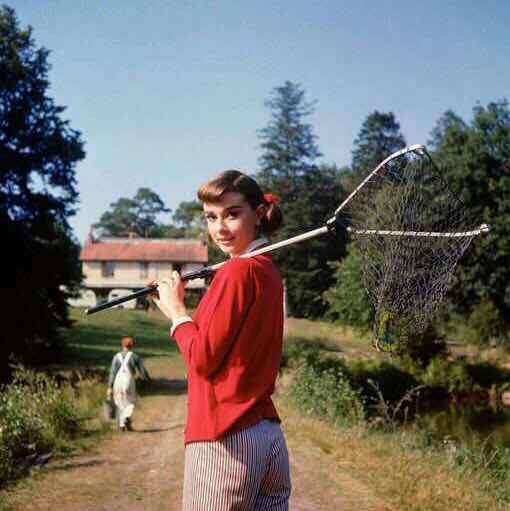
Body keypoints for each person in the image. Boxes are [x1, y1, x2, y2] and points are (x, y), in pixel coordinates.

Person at [152, 170, 291, 510]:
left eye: (232, 214)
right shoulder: (266, 270)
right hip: (267, 437)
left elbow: (202, 358)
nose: (220, 228)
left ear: (259, 214)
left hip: (226, 437)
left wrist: (177, 313)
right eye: (211, 217)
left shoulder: (237, 271)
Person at [107, 336, 150, 432]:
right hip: (128, 380)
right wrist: (147, 379)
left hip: (117, 381)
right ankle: (127, 417)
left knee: (119, 402)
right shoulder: (135, 356)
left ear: (122, 345)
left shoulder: (116, 357)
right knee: (131, 401)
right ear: (132, 345)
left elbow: (112, 372)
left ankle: (122, 425)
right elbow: (142, 371)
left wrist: (109, 386)